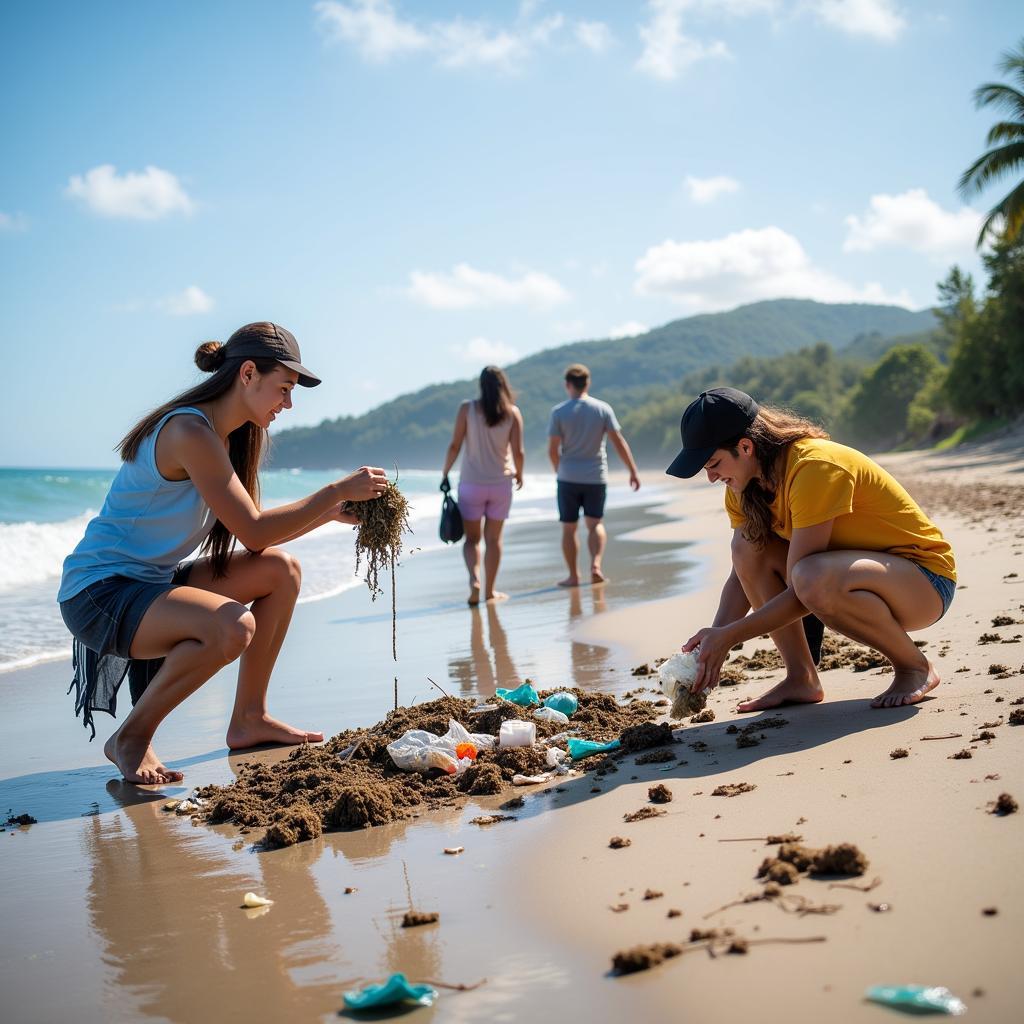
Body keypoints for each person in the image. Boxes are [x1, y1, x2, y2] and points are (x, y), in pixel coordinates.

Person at [58, 322, 389, 784]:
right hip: (99, 594)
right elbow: (253, 531)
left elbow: (254, 533)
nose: (287, 404)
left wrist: (329, 511)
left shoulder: (227, 436)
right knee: (233, 625)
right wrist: (334, 489)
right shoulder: (188, 431)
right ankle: (131, 737)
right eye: (284, 389)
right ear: (248, 373)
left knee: (281, 570)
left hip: (149, 583)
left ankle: (250, 717)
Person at [665, 387, 957, 711]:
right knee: (747, 549)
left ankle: (914, 666)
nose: (711, 477)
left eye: (714, 463)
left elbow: (804, 590)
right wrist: (708, 648)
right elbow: (743, 577)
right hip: (860, 577)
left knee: (810, 576)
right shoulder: (743, 486)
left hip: (925, 582)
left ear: (745, 447)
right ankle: (801, 677)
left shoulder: (813, 467)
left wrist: (730, 637)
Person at [547, 363, 640, 587]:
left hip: (568, 477)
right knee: (595, 524)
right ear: (587, 383)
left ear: (567, 385)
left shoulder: (559, 412)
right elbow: (619, 442)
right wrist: (632, 471)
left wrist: (559, 471)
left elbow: (552, 449)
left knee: (569, 528)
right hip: (596, 477)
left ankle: (573, 576)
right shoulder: (602, 409)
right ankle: (595, 566)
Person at [441, 366, 524, 605]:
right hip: (500, 485)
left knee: (472, 540)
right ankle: (489, 591)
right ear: (503, 385)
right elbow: (518, 451)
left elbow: (454, 445)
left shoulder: (467, 409)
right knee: (494, 540)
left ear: (481, 385)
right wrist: (521, 474)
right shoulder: (513, 413)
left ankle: (474, 580)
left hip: (471, 485)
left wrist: (445, 473)